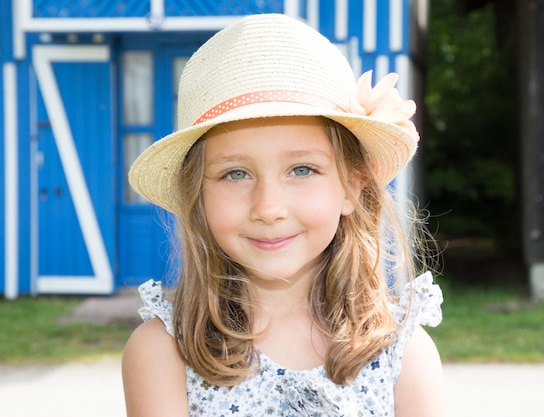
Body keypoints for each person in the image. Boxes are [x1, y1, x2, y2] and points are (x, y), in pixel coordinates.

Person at [122, 13, 447, 417]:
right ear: (197, 195)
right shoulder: (164, 352)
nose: (268, 208)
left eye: (302, 170)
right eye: (235, 173)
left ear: (352, 186)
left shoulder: (402, 354)